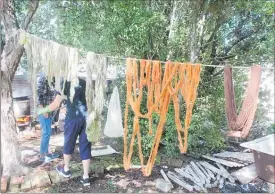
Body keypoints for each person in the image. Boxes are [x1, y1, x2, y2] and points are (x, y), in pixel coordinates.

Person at [38, 77, 91, 186]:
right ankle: (86, 177)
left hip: (73, 118)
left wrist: (42, 110)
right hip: (87, 118)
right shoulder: (84, 82)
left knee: (68, 143)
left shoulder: (64, 83)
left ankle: (66, 169)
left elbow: (56, 104)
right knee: (85, 146)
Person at [37, 73, 60, 162]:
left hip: (50, 111)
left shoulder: (55, 79)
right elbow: (38, 95)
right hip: (44, 111)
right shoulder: (44, 78)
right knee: (46, 132)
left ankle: (46, 153)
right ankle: (43, 155)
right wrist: (43, 110)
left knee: (48, 132)